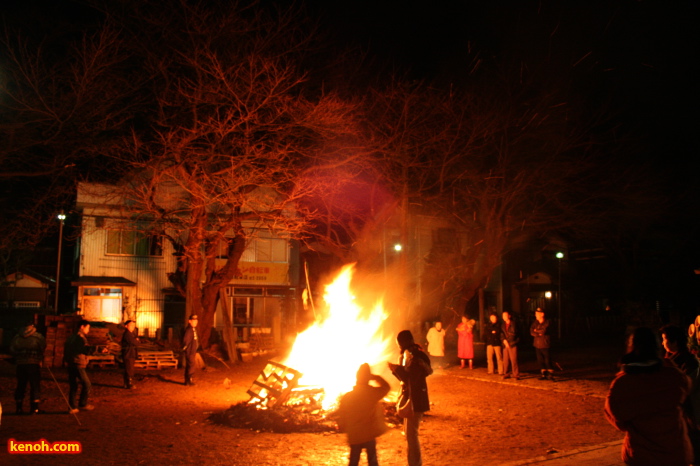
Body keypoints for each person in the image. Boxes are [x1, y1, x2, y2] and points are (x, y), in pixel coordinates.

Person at [604, 327, 693, 465]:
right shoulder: (673, 377)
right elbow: (686, 385)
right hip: (675, 452)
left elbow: (615, 417)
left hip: (642, 454)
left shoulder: (623, 383)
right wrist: (669, 363)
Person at [388, 330, 433, 466]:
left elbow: (411, 378)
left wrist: (396, 369)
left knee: (411, 435)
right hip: (413, 397)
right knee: (409, 434)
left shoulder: (414, 356)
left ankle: (415, 463)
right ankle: (413, 462)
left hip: (416, 398)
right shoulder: (410, 354)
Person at [337, 363, 391, 466]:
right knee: (372, 460)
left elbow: (342, 415)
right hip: (369, 434)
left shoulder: (347, 397)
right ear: (368, 378)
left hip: (354, 434)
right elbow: (386, 387)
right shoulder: (372, 393)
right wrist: (376, 378)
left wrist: (345, 428)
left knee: (353, 460)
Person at [661, 324, 700, 457]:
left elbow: (686, 388)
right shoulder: (668, 359)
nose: (662, 343)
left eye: (665, 339)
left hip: (689, 414)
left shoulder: (688, 362)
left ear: (675, 341)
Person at [64, 320, 105, 413]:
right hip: (77, 363)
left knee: (73, 386)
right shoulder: (79, 338)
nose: (88, 330)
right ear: (82, 326)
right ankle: (82, 404)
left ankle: (72, 407)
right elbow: (84, 349)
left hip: (71, 363)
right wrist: (98, 349)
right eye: (88, 328)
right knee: (87, 384)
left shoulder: (72, 337)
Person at [10, 324, 46, 414]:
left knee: (21, 385)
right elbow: (43, 347)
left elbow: (12, 349)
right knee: (35, 386)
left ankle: (19, 407)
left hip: (21, 364)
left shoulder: (17, 337)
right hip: (33, 363)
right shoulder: (38, 337)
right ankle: (34, 408)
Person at [530, 308, 553, 380]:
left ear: (542, 314)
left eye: (537, 314)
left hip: (545, 344)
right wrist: (537, 333)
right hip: (537, 344)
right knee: (540, 359)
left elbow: (544, 331)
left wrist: (536, 330)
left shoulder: (547, 322)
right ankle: (543, 373)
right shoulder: (535, 322)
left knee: (547, 359)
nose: (535, 315)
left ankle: (550, 374)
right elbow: (531, 331)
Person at [121, 320, 140, 389]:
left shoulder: (131, 334)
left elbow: (136, 342)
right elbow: (136, 343)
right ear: (126, 326)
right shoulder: (127, 334)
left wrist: (136, 340)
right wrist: (136, 340)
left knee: (129, 368)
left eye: (133, 326)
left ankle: (127, 383)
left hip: (130, 354)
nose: (132, 327)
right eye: (131, 325)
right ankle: (129, 383)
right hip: (128, 354)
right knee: (129, 369)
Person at [501, 311, 520, 380]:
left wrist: (508, 342)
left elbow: (513, 334)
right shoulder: (502, 325)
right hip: (505, 344)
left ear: (509, 316)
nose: (504, 317)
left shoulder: (513, 324)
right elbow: (501, 333)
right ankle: (506, 373)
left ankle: (516, 374)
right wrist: (504, 341)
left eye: (505, 315)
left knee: (513, 360)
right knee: (505, 360)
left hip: (512, 344)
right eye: (503, 316)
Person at [182, 314, 199, 386]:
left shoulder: (193, 329)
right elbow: (186, 341)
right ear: (190, 321)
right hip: (190, 351)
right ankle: (189, 381)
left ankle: (187, 381)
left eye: (196, 321)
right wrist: (187, 348)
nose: (195, 322)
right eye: (194, 321)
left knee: (190, 365)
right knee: (191, 365)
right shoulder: (189, 330)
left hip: (193, 350)